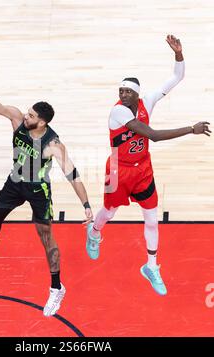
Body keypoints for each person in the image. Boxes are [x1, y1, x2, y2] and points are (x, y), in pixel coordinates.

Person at [0, 64, 93, 317]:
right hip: (15, 180)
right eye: (28, 113)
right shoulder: (16, 119)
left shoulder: (53, 144)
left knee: (47, 240)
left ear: (42, 122)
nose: (26, 117)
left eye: (31, 116)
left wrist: (86, 206)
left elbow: (72, 175)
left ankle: (57, 288)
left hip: (38, 190)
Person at [86, 35, 211, 296]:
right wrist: (191, 129)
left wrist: (179, 54)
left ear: (137, 94)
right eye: (120, 91)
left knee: (152, 219)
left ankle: (151, 266)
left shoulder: (148, 101)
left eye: (127, 91)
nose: (122, 95)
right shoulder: (117, 112)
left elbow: (176, 78)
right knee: (108, 212)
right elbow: (152, 135)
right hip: (119, 169)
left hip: (143, 168)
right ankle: (95, 232)